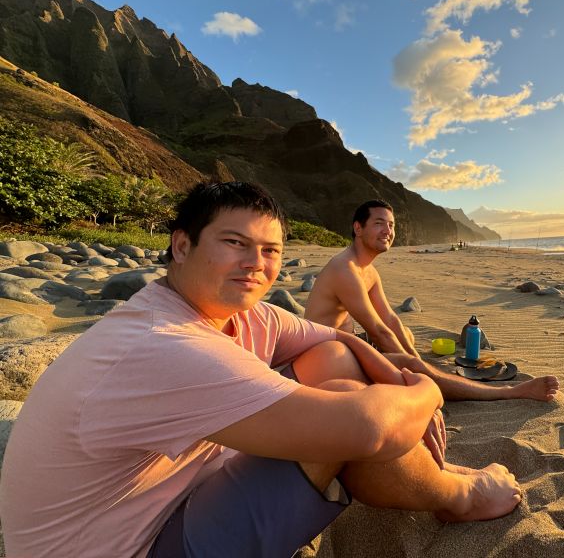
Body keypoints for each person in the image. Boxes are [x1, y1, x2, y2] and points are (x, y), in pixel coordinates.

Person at [0, 183, 522, 558]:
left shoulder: (234, 312)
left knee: (337, 367)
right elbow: (366, 428)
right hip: (134, 545)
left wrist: (390, 380)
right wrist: (425, 391)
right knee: (347, 424)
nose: (257, 263)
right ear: (182, 246)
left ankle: (438, 477)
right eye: (234, 243)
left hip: (165, 506)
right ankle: (464, 497)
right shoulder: (161, 344)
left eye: (270, 250)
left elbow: (335, 338)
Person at [305, 200, 560, 402]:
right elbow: (379, 330)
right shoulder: (344, 268)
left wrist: (417, 357)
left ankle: (430, 375)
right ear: (358, 228)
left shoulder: (368, 271)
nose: (388, 231)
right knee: (410, 363)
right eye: (379, 223)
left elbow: (390, 319)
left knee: (406, 337)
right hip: (326, 361)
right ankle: (508, 392)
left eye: (392, 225)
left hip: (346, 347)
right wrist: (416, 366)